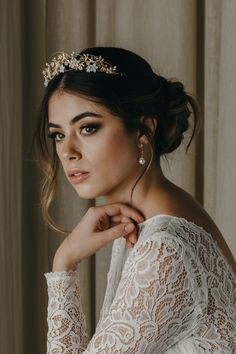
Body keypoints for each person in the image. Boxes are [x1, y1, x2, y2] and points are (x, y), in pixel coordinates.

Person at [32, 47, 236, 353]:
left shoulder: (165, 249)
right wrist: (67, 259)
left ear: (143, 130)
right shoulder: (163, 212)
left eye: (87, 128)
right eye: (58, 134)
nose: (67, 152)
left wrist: (64, 265)